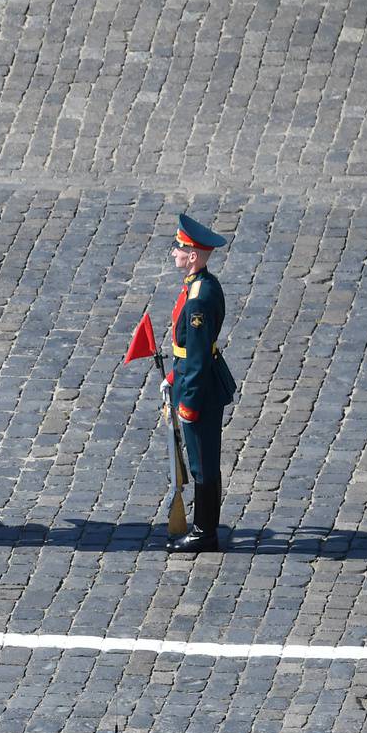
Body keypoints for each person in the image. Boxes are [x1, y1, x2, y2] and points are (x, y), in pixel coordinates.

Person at [163, 213, 237, 553]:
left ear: (193, 255)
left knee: (202, 463)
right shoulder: (201, 285)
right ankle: (204, 526)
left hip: (200, 391)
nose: (175, 251)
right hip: (194, 379)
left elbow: (196, 358)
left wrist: (187, 403)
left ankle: (205, 531)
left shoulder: (198, 299)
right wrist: (172, 375)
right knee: (200, 460)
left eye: (180, 247)